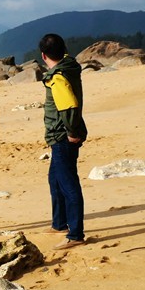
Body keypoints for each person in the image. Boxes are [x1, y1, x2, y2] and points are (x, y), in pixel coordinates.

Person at [39, 33, 88, 250]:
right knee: (55, 179)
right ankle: (59, 223)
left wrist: (72, 132)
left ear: (43, 55)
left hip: (62, 137)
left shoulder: (57, 77)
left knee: (68, 184)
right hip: (61, 136)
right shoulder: (69, 67)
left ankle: (75, 233)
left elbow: (68, 107)